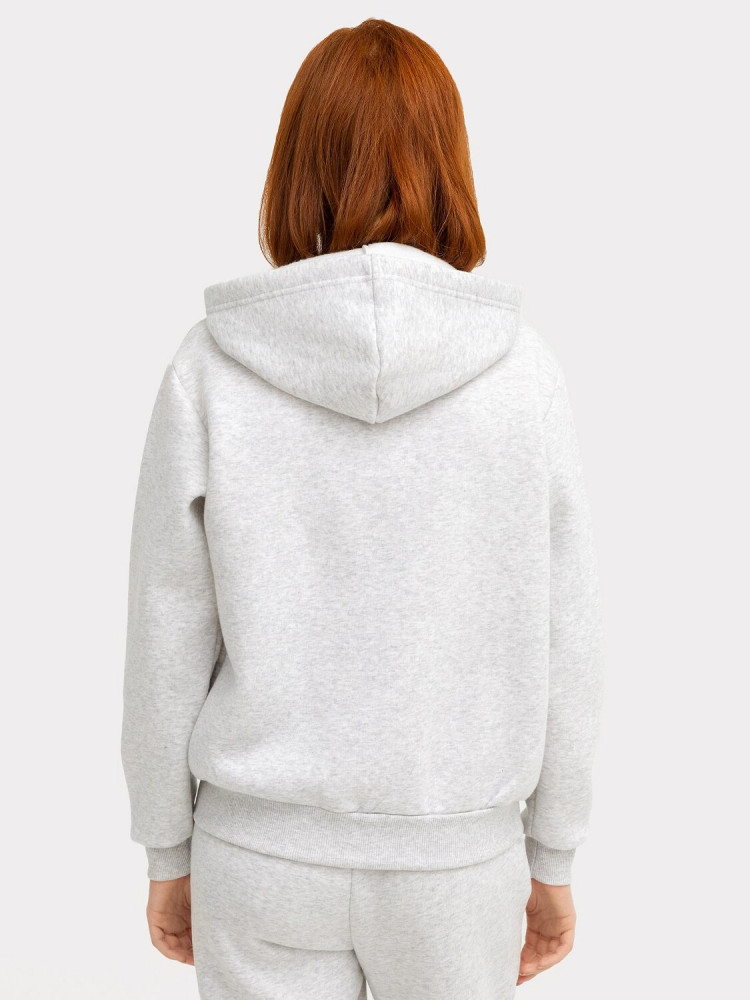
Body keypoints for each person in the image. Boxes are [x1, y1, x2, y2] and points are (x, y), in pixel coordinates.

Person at [120, 17, 606, 1000]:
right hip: (457, 863)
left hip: (260, 856)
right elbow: (569, 634)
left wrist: (167, 843)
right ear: (450, 163)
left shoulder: (210, 368)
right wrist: (551, 854)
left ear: (297, 165)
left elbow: (166, 626)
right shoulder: (525, 377)